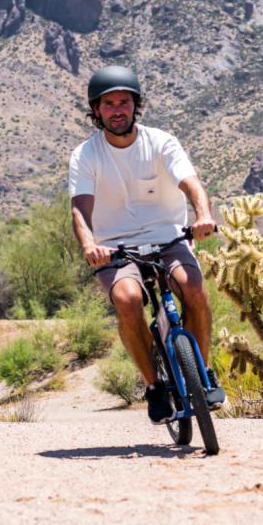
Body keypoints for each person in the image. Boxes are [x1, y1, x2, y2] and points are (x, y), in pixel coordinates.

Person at [68, 65, 226, 424]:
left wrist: (201, 215)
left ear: (136, 105)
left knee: (194, 290)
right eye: (109, 104)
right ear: (96, 111)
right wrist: (91, 244)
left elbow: (191, 183)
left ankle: (203, 372)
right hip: (115, 247)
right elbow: (80, 208)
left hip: (167, 238)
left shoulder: (161, 142)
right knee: (127, 299)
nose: (117, 109)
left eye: (124, 102)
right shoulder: (86, 155)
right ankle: (154, 385)